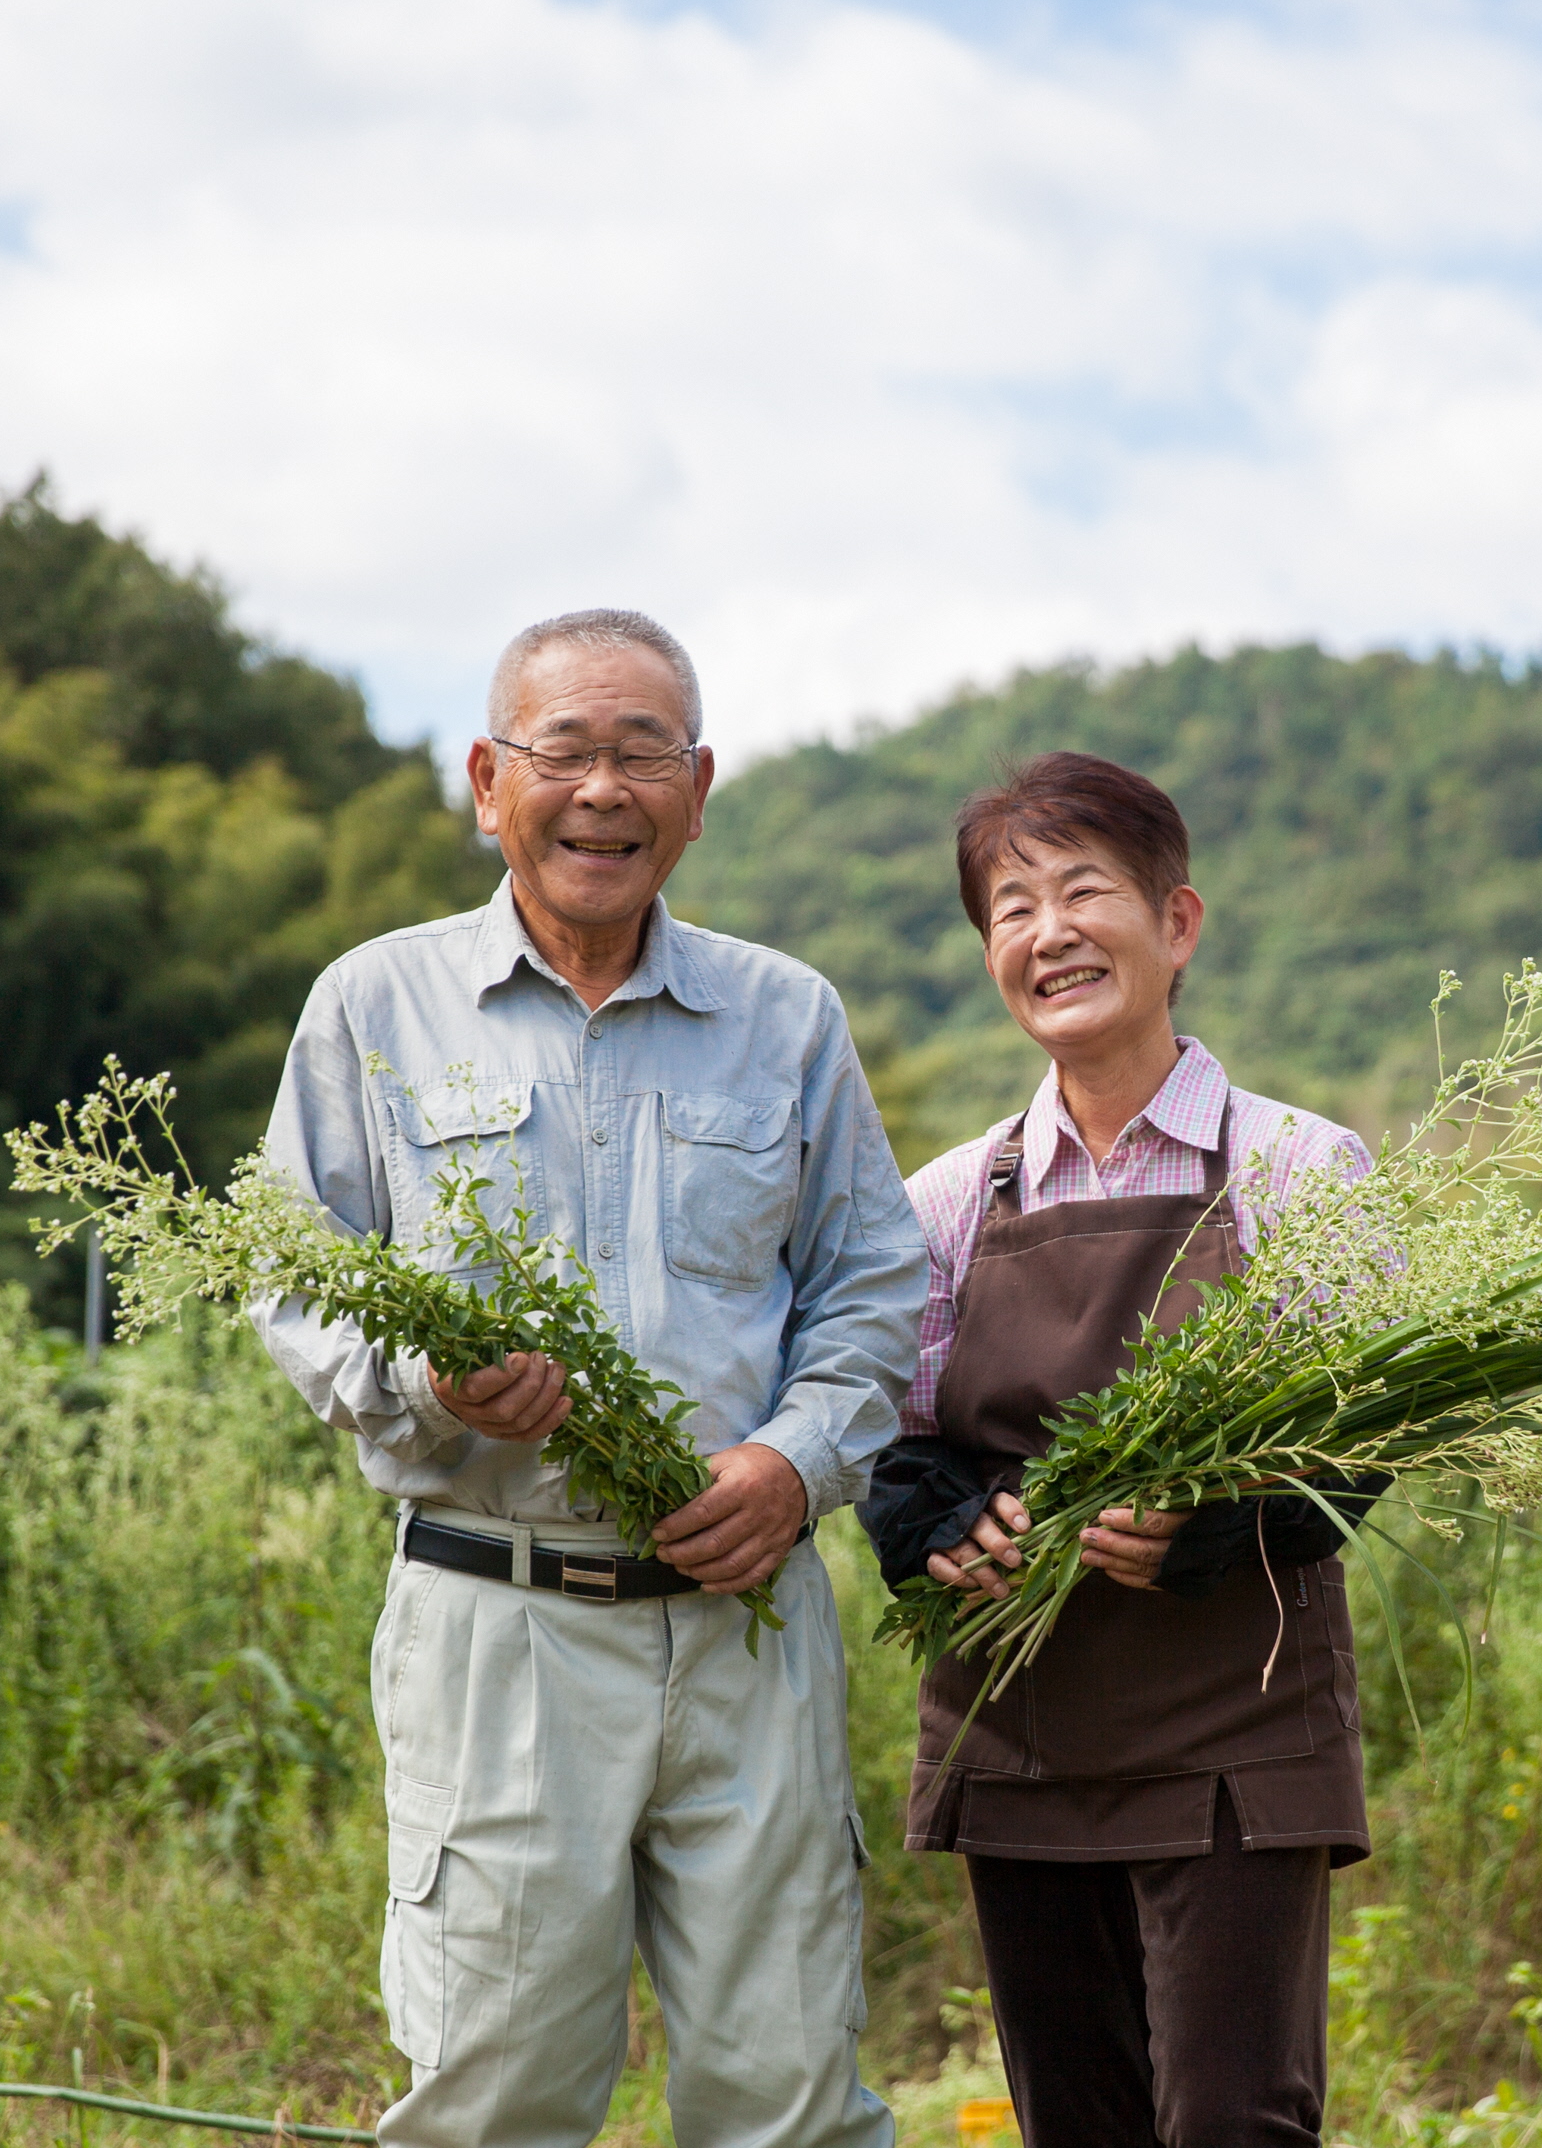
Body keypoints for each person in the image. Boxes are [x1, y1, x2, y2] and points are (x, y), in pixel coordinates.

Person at [257, 608, 922, 2148]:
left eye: (642, 754)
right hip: (503, 1623)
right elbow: (292, 1282)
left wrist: (796, 1463)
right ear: (490, 781)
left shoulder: (787, 1016)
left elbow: (875, 1286)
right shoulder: (377, 1005)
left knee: (790, 2093)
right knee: (495, 2100)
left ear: (699, 790)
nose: (603, 789)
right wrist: (428, 1381)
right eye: (565, 751)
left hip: (744, 1626)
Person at [856, 752, 1381, 2148]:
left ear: (1180, 922)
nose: (1049, 930)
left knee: (1232, 2117)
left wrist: (1240, 1520)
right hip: (1022, 1720)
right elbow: (889, 1435)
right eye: (1012, 906)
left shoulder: (1296, 1171)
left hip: (1234, 1719)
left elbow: (1368, 1445)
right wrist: (926, 1510)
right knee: (1072, 2121)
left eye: (1084, 889)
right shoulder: (945, 1200)